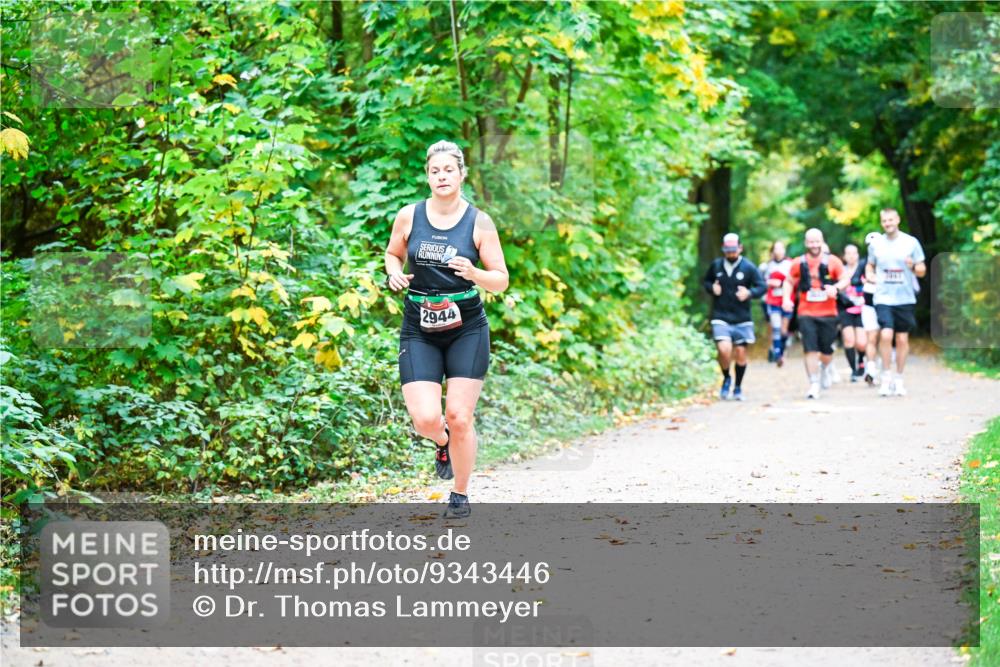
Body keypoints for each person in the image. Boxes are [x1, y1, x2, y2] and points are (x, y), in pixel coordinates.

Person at [384, 140, 510, 518]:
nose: (442, 176)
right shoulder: (409, 215)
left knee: (459, 415)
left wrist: (475, 273)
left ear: (461, 175)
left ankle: (460, 494)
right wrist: (393, 273)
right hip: (418, 325)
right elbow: (393, 253)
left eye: (448, 170)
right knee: (425, 419)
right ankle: (443, 443)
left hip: (466, 326)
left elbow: (501, 279)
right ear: (427, 176)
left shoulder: (479, 221)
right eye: (435, 171)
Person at [866, 207, 926, 397]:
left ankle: (898, 379)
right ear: (881, 223)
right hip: (883, 297)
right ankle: (885, 377)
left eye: (891, 220)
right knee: (885, 334)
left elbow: (922, 270)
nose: (888, 224)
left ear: (897, 220)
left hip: (905, 297)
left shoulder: (911, 242)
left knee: (901, 339)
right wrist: (870, 276)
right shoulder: (876, 245)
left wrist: (914, 266)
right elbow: (870, 265)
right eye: (884, 221)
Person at [703, 233, 767, 401]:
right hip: (721, 314)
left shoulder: (748, 267)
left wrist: (749, 293)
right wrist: (712, 289)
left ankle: (738, 386)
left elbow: (762, 286)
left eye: (733, 250)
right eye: (727, 250)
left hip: (742, 317)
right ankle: (726, 378)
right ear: (724, 250)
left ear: (740, 248)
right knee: (724, 349)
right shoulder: (716, 265)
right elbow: (706, 282)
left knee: (740, 352)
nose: (730, 253)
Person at [783, 228, 845, 399]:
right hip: (806, 312)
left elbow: (844, 278)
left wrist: (836, 288)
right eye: (811, 241)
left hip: (828, 313)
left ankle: (825, 367)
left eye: (817, 241)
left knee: (826, 351)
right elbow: (788, 281)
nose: (814, 245)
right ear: (806, 243)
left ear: (822, 241)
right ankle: (814, 383)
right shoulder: (798, 262)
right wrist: (786, 299)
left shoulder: (833, 261)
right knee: (810, 348)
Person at [836, 243, 868, 381]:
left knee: (861, 343)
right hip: (845, 309)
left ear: (858, 255)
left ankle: (861, 362)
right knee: (849, 341)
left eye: (854, 253)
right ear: (844, 256)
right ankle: (853, 370)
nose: (851, 256)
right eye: (848, 253)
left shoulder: (864, 270)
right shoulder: (840, 271)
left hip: (862, 309)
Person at [759, 241, 793, 366]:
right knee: (775, 327)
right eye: (776, 249)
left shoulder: (790, 264)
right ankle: (777, 354)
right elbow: (760, 282)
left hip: (787, 300)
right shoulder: (766, 266)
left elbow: (794, 280)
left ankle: (782, 349)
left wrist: (784, 284)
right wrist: (770, 282)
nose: (778, 251)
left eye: (781, 248)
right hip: (772, 300)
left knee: (784, 329)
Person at [861, 232, 882, 385]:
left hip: (886, 303)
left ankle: (881, 369)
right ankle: (871, 369)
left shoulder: (889, 261)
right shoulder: (864, 264)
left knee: (885, 337)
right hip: (869, 303)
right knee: (872, 338)